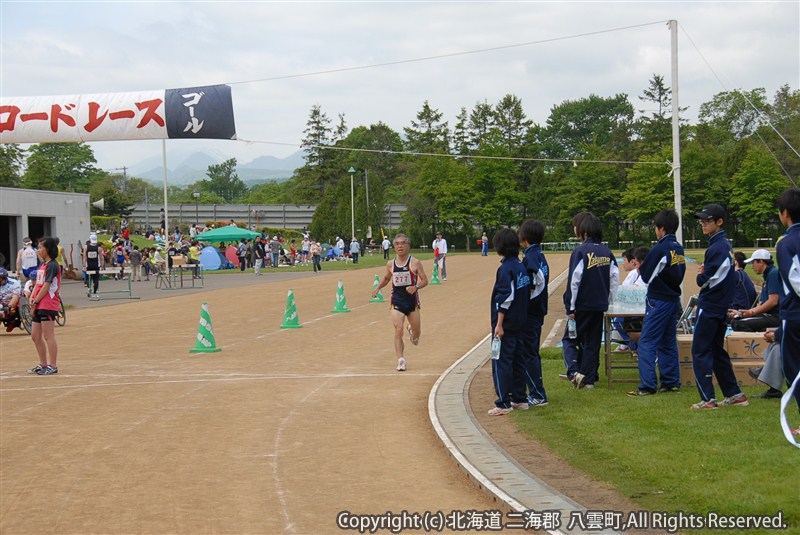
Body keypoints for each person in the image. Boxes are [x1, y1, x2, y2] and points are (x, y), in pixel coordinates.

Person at [690, 204, 748, 410]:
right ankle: (734, 394)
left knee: (700, 350)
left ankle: (707, 399)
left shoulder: (717, 246)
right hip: (720, 305)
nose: (703, 224)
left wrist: (699, 276)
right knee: (715, 350)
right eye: (702, 221)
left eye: (707, 221)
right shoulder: (724, 244)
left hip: (711, 305)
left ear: (720, 222)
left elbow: (708, 279)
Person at [626, 209, 686, 397]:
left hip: (658, 300)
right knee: (668, 342)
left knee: (647, 342)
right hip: (672, 299)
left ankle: (648, 385)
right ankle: (670, 382)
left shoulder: (660, 248)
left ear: (661, 228)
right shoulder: (678, 247)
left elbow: (646, 275)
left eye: (655, 228)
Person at [562, 213, 619, 389]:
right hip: (599, 304)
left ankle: (573, 373)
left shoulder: (580, 251)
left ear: (584, 232)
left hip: (582, 305)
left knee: (570, 339)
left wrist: (570, 306)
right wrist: (609, 301)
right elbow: (615, 278)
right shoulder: (607, 252)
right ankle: (589, 379)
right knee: (592, 342)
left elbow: (574, 280)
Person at [486, 228, 531, 416]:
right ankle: (520, 399)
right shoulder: (520, 266)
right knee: (518, 361)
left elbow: (506, 297)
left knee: (501, 361)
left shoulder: (505, 268)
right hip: (520, 322)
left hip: (507, 323)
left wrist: (499, 324)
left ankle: (503, 401)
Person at [372, 234, 429, 372]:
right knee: (398, 329)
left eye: (403, 243)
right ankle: (401, 360)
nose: (400, 246)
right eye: (397, 244)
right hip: (397, 301)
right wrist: (378, 287)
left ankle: (412, 331)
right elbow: (386, 278)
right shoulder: (391, 264)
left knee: (416, 337)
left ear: (408, 246)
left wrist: (415, 287)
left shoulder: (415, 263)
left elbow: (425, 280)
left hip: (412, 302)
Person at [516, 220, 549, 408]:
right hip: (538, 312)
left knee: (528, 353)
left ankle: (538, 394)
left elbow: (540, 281)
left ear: (524, 238)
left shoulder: (531, 258)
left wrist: (526, 302)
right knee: (532, 352)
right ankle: (537, 391)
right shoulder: (539, 255)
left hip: (531, 313)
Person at [775, 187, 800, 434]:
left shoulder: (786, 243)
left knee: (792, 369)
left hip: (793, 314)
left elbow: (795, 280)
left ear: (785, 214)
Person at [28, 236, 62, 375]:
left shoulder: (53, 265)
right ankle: (43, 363)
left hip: (48, 303)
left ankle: (53, 365)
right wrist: (32, 298)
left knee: (48, 335)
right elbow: (38, 285)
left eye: (41, 247)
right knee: (35, 336)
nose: (39, 250)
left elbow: (46, 287)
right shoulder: (42, 265)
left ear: (48, 249)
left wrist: (36, 301)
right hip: (39, 302)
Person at [729, 249, 780, 332]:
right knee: (736, 320)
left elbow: (773, 301)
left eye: (753, 263)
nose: (752, 266)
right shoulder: (769, 275)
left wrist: (751, 312)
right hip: (771, 315)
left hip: (777, 316)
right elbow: (762, 304)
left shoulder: (773, 274)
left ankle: (760, 342)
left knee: (739, 324)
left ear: (761, 262)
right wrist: (742, 313)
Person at [612, 247, 647, 354]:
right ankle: (634, 347)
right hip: (641, 309)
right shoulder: (642, 274)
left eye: (624, 260)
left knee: (618, 321)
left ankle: (636, 347)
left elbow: (628, 290)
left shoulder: (638, 274)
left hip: (640, 310)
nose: (623, 264)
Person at [0, 267, 22, 332]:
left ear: (4, 278)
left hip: (13, 302)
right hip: (1, 303)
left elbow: (16, 296)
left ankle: (13, 320)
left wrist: (9, 307)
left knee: (10, 308)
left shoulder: (14, 283)